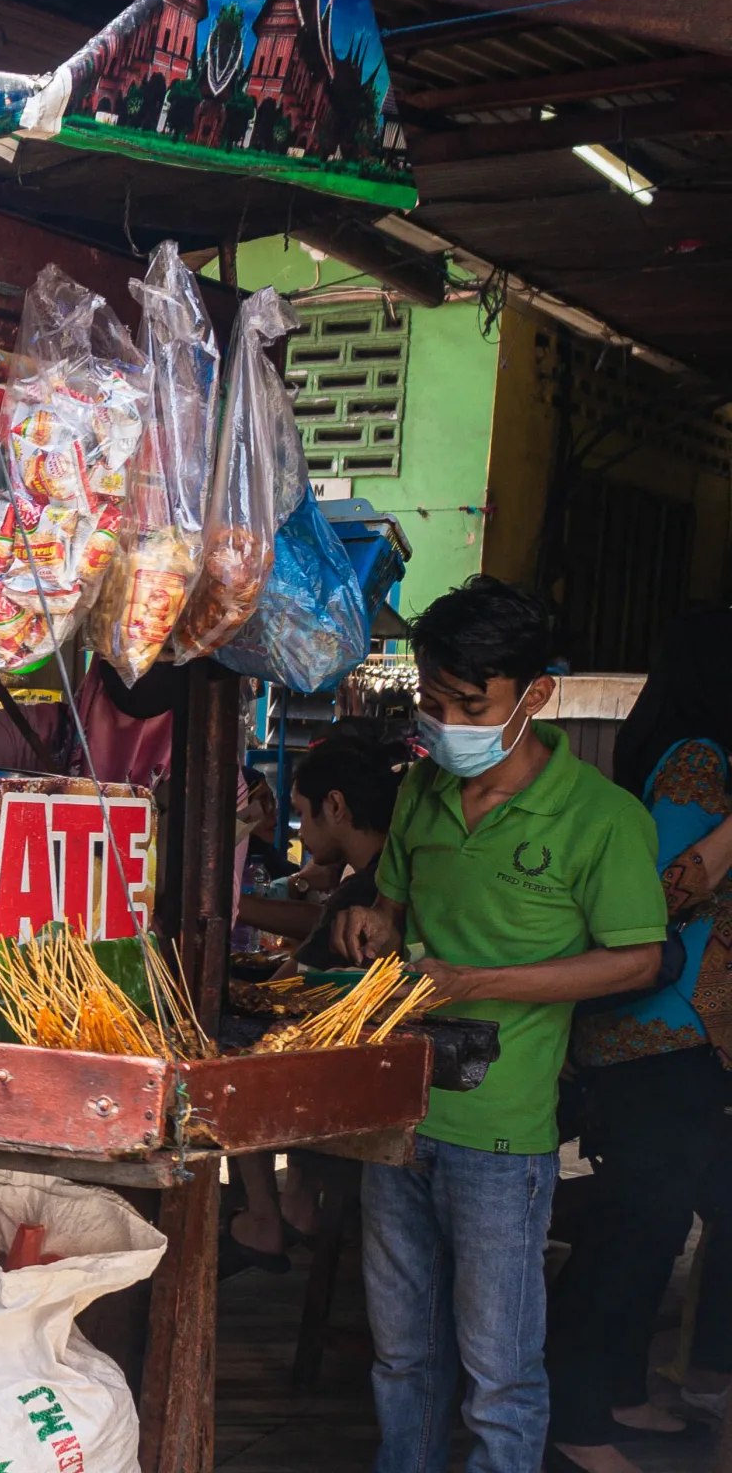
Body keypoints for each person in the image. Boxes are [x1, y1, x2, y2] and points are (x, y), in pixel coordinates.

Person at [331, 577, 668, 1473]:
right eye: (433, 701)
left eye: (468, 704)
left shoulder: (602, 820)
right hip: (394, 1117)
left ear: (536, 694)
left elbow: (639, 958)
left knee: (499, 1372)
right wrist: (373, 921)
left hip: (501, 1136)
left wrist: (479, 980)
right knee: (403, 1357)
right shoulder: (422, 793)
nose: (445, 723)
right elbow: (390, 906)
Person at [543, 615, 732, 1473]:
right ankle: (579, 1419)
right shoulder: (698, 758)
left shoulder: (686, 751)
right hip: (660, 1037)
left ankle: (616, 1396)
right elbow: (662, 896)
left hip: (661, 1037)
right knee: (632, 1230)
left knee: (652, 1228)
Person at [225, 730, 409, 1271]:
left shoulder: (366, 893)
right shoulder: (372, 877)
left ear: (337, 806)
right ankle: (298, 1200)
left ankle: (264, 1216)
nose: (301, 831)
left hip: (348, 1070)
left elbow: (289, 980)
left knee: (224, 1051)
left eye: (304, 814)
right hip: (367, 1056)